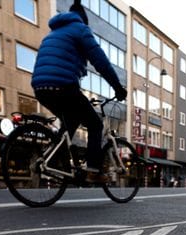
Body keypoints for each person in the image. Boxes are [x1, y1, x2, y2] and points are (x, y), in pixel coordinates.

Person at [31, 0, 127, 183]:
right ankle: (93, 170)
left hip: (40, 88)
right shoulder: (80, 29)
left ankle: (49, 161)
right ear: (83, 19)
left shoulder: (52, 34)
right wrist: (117, 87)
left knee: (70, 123)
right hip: (63, 86)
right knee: (95, 125)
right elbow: (101, 62)